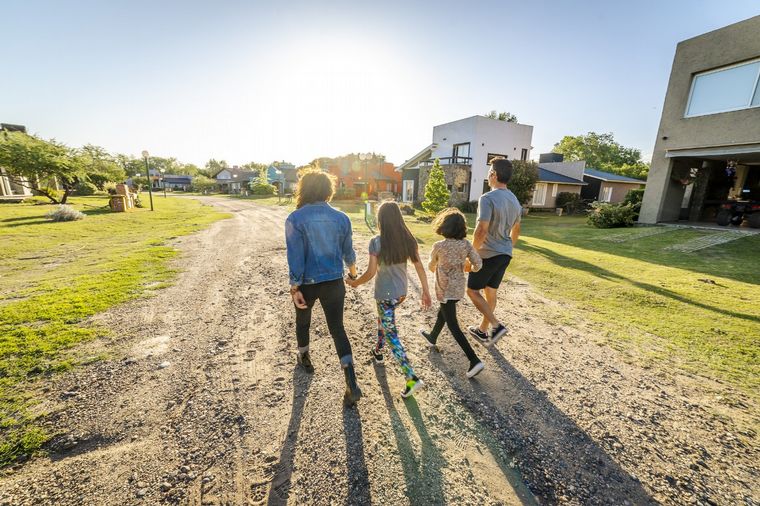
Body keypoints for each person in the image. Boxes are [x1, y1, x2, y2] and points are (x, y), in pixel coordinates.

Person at [285, 168, 362, 406]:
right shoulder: (342, 218)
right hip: (334, 283)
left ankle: (304, 357)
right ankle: (351, 382)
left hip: (307, 284)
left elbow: (295, 257)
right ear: (328, 190)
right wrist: (352, 274)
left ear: (303, 189)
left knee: (303, 322)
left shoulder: (295, 219)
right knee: (338, 329)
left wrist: (295, 287)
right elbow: (349, 253)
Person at [346, 201, 432, 398]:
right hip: (400, 293)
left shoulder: (376, 242)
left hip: (384, 295)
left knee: (392, 334)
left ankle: (412, 378)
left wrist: (355, 283)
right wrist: (425, 292)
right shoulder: (408, 239)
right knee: (384, 320)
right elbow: (419, 267)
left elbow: (370, 272)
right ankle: (378, 350)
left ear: (381, 220)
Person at [419, 208, 485, 378]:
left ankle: (474, 360)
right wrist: (468, 266)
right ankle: (433, 336)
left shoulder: (439, 246)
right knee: (445, 312)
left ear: (444, 226)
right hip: (457, 289)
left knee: (453, 325)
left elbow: (430, 266)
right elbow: (478, 265)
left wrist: (436, 267)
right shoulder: (466, 245)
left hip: (444, 288)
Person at [466, 157, 522, 347]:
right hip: (505, 253)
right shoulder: (515, 200)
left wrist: (471, 256)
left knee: (472, 290)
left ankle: (496, 325)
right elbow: (517, 230)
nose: (488, 175)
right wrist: (508, 248)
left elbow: (481, 230)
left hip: (488, 254)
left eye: (490, 171)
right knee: (490, 292)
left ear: (494, 175)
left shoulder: (487, 198)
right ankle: (482, 331)